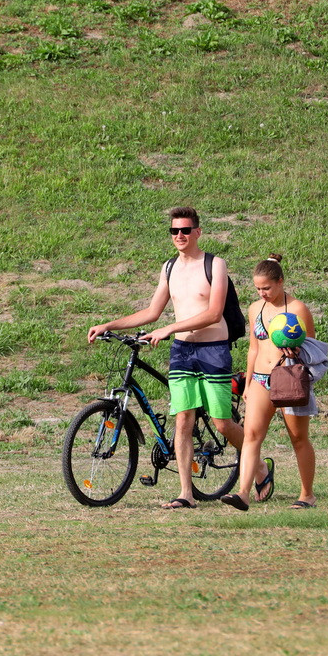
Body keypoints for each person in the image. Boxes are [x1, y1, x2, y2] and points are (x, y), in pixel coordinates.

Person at [86, 206, 271, 509]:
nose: (180, 235)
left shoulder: (215, 264)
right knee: (183, 419)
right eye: (174, 231)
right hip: (182, 351)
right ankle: (186, 493)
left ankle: (259, 465)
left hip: (213, 349)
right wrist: (109, 324)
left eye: (185, 230)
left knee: (222, 423)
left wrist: (170, 328)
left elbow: (214, 313)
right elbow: (152, 312)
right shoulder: (169, 267)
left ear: (198, 232)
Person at [221, 255, 316, 511]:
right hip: (261, 380)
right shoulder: (255, 309)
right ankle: (243, 493)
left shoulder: (297, 309)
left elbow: (311, 347)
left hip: (289, 378)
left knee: (298, 438)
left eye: (267, 288)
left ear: (280, 282)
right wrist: (249, 382)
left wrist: (296, 349)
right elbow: (254, 348)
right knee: (251, 435)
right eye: (258, 289)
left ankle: (307, 495)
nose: (262, 293)